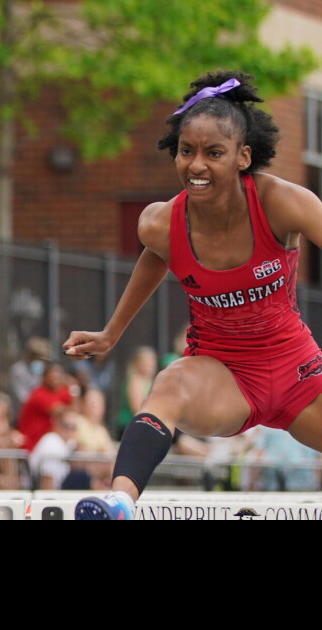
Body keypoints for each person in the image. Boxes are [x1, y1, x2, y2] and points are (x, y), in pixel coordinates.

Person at [64, 71, 322, 518]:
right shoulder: (159, 223)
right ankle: (119, 502)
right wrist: (110, 334)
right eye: (187, 151)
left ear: (243, 156)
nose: (196, 165)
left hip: (298, 371)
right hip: (224, 377)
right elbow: (155, 255)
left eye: (213, 153)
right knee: (170, 382)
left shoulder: (282, 202)